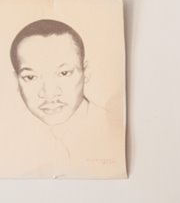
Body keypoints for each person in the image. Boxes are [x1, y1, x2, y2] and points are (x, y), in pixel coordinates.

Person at [5, 17, 122, 178]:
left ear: (85, 72)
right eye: (31, 77)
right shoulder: (11, 146)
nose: (49, 93)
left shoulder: (116, 132)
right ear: (16, 81)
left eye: (64, 73)